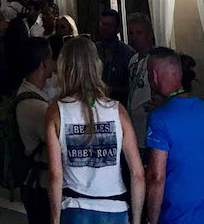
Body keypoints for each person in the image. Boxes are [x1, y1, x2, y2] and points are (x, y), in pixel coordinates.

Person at [45, 37, 145, 224]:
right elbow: (138, 174)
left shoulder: (57, 111)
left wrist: (55, 219)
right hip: (115, 209)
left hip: (75, 208)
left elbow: (55, 175)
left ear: (64, 68)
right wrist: (137, 219)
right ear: (96, 66)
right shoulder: (118, 110)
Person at [145, 48, 204, 223]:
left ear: (154, 76)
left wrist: (151, 219)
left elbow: (156, 177)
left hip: (175, 216)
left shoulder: (159, 118)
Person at [15, 38, 56, 223]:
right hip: (40, 183)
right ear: (44, 63)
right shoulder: (36, 106)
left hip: (33, 180)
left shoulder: (27, 92)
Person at [127, 13, 155, 154]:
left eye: (139, 33)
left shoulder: (156, 60)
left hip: (150, 127)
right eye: (131, 33)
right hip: (134, 127)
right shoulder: (133, 60)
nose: (134, 37)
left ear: (149, 35)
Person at [96, 9, 135, 105]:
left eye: (109, 25)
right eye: (102, 24)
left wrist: (113, 89)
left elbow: (133, 87)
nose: (105, 28)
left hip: (120, 105)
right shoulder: (93, 50)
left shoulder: (128, 54)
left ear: (118, 28)